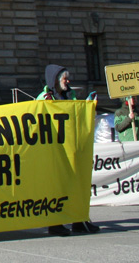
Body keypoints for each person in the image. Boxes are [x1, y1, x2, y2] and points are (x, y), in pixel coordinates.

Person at [37, 64, 99, 236]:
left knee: (77, 185)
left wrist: (89, 107)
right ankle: (55, 223)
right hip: (54, 151)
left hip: (73, 148)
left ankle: (79, 220)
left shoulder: (70, 96)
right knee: (57, 187)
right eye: (65, 79)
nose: (68, 82)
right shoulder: (44, 98)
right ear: (55, 80)